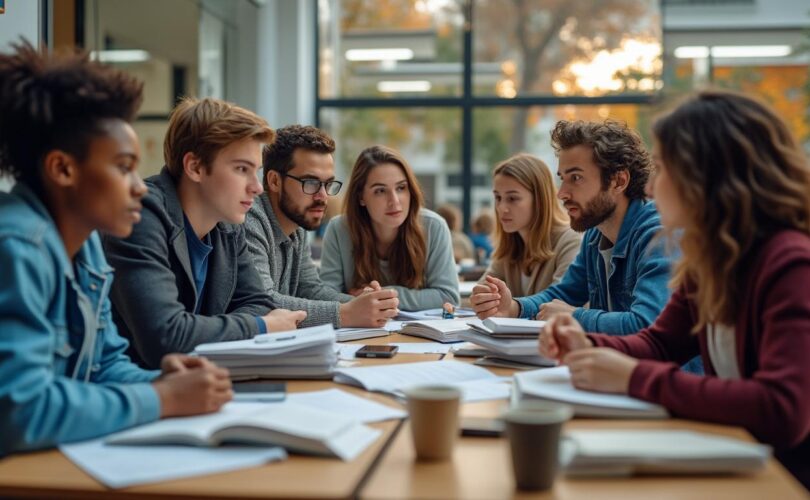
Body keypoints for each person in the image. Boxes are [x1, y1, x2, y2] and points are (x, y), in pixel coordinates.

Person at [539, 90, 810, 489]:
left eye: (663, 169)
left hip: (781, 481)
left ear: (706, 177)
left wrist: (633, 378)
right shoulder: (711, 260)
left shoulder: (790, 263)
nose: (650, 190)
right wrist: (587, 344)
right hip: (736, 461)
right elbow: (660, 343)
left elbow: (783, 410)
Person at [0, 42, 231, 454]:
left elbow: (103, 365)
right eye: (123, 167)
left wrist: (162, 381)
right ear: (63, 169)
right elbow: (19, 411)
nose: (140, 186)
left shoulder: (86, 246)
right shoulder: (17, 246)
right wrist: (164, 399)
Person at [103, 97, 304, 369]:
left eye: (255, 171)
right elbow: (167, 337)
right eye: (241, 169)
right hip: (141, 392)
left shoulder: (226, 225)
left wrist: (246, 323)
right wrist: (261, 327)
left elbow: (258, 302)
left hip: (199, 385)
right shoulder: (141, 217)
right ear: (195, 167)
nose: (257, 187)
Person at [473, 120, 672, 336]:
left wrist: (574, 316)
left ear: (618, 181)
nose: (561, 194)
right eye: (562, 179)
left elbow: (647, 325)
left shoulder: (659, 234)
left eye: (575, 178)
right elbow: (564, 293)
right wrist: (514, 308)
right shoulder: (595, 235)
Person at [245, 125, 399, 328]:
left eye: (328, 184)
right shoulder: (250, 219)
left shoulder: (296, 226)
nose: (323, 196)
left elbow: (310, 289)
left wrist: (363, 304)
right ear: (274, 181)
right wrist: (346, 313)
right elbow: (262, 303)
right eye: (310, 183)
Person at [320, 145, 460, 311]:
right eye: (380, 191)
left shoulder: (433, 227)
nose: (394, 201)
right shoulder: (339, 229)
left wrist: (381, 296)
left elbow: (448, 297)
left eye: (401, 188)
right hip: (362, 334)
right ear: (361, 197)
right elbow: (325, 296)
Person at [470, 154, 581, 308]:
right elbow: (480, 296)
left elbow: (561, 304)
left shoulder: (571, 241)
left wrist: (511, 308)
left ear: (540, 200)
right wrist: (482, 301)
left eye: (513, 198)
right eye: (498, 198)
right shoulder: (509, 247)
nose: (502, 208)